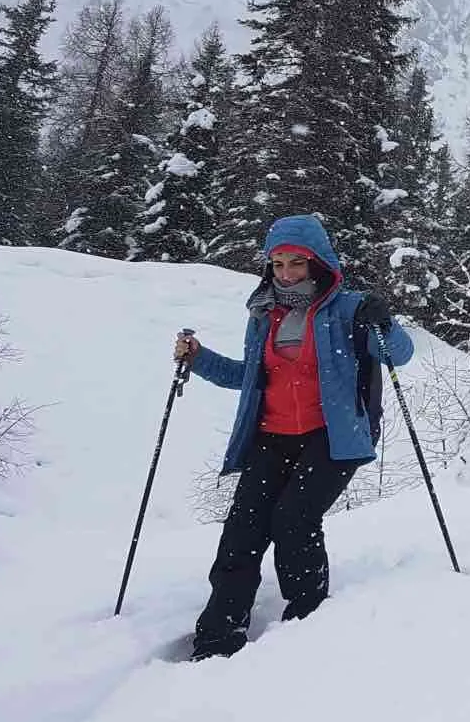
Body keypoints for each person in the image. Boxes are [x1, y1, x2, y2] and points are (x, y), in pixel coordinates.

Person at [171, 214, 413, 661]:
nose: (285, 273)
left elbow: (398, 354)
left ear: (317, 262)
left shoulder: (348, 308)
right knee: (241, 532)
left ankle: (307, 621)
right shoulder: (264, 314)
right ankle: (218, 639)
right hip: (272, 436)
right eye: (277, 263)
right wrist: (199, 359)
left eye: (296, 264)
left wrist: (386, 321)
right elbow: (250, 378)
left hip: (332, 437)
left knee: (293, 520)